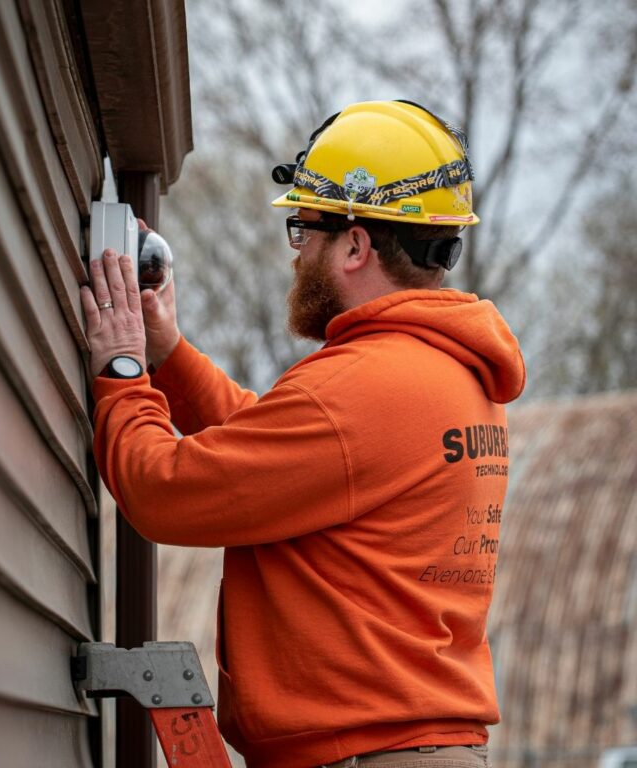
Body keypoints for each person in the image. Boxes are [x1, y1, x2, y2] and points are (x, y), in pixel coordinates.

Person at [80, 100, 526, 768]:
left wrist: (121, 369)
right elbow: (277, 459)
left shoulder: (360, 387)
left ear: (354, 244)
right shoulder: (448, 375)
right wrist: (168, 356)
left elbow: (162, 491)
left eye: (304, 229)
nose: (298, 254)